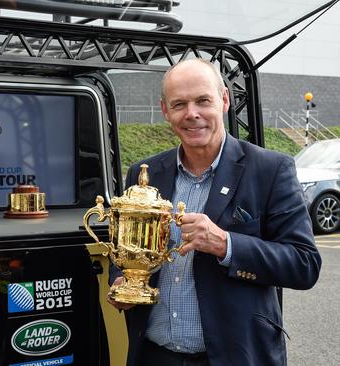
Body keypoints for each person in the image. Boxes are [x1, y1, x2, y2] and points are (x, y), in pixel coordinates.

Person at [110, 59, 321, 366]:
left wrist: (226, 244)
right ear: (165, 110)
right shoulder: (144, 173)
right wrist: (122, 280)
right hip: (154, 355)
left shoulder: (270, 170)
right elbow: (126, 247)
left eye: (202, 100)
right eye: (179, 104)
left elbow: (305, 264)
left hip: (234, 357)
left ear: (224, 100)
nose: (191, 113)